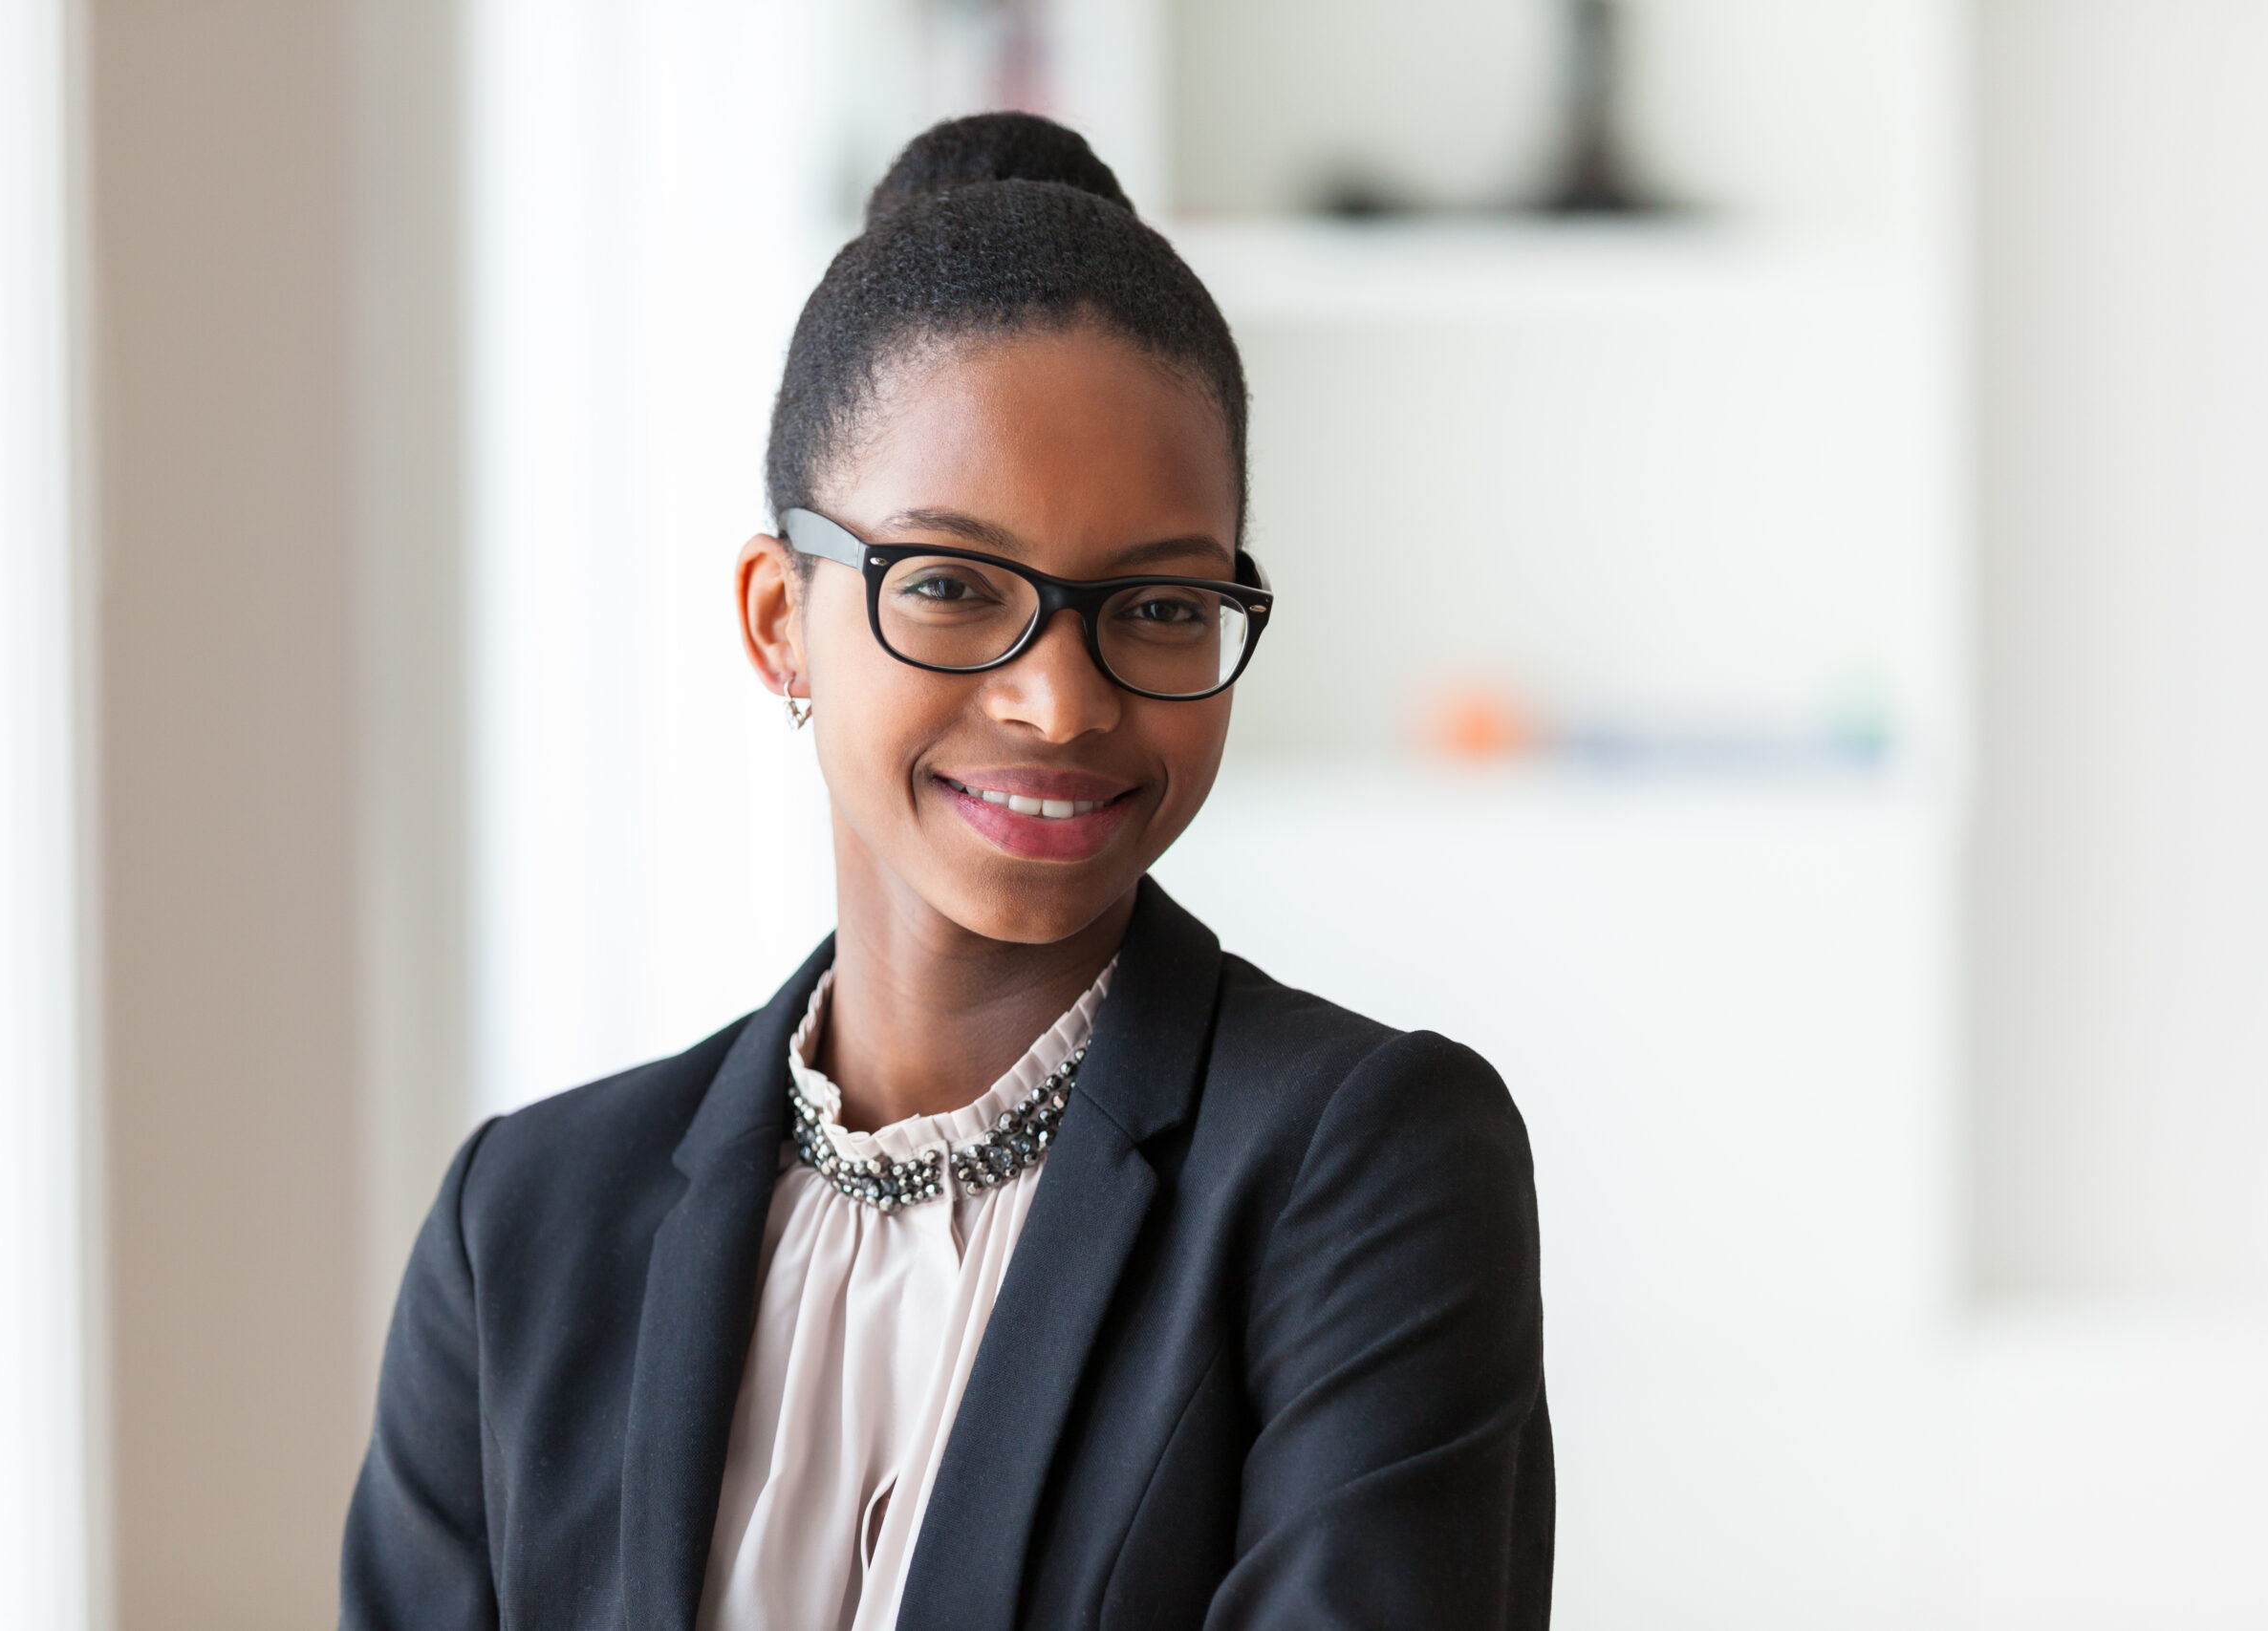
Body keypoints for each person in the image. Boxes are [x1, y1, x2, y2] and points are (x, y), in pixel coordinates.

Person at [341, 112, 1551, 1630]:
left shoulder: (1361, 1168)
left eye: (1162, 605)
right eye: (955, 587)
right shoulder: (521, 1226)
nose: (1061, 701)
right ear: (780, 616)